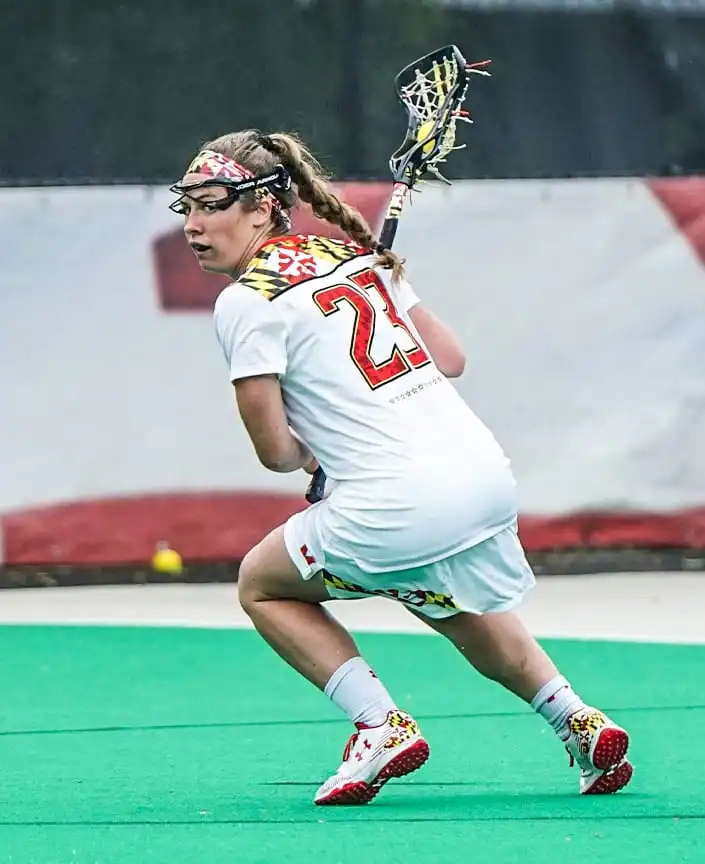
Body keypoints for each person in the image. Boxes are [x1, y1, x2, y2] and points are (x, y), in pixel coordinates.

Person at [170, 130, 633, 805]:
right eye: (186, 206)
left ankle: (378, 725)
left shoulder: (245, 303)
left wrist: (314, 454)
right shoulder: (356, 255)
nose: (193, 224)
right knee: (438, 593)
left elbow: (275, 453)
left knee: (261, 584)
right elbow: (450, 358)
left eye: (210, 205)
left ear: (265, 206)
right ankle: (578, 721)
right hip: (484, 478)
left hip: (399, 503)